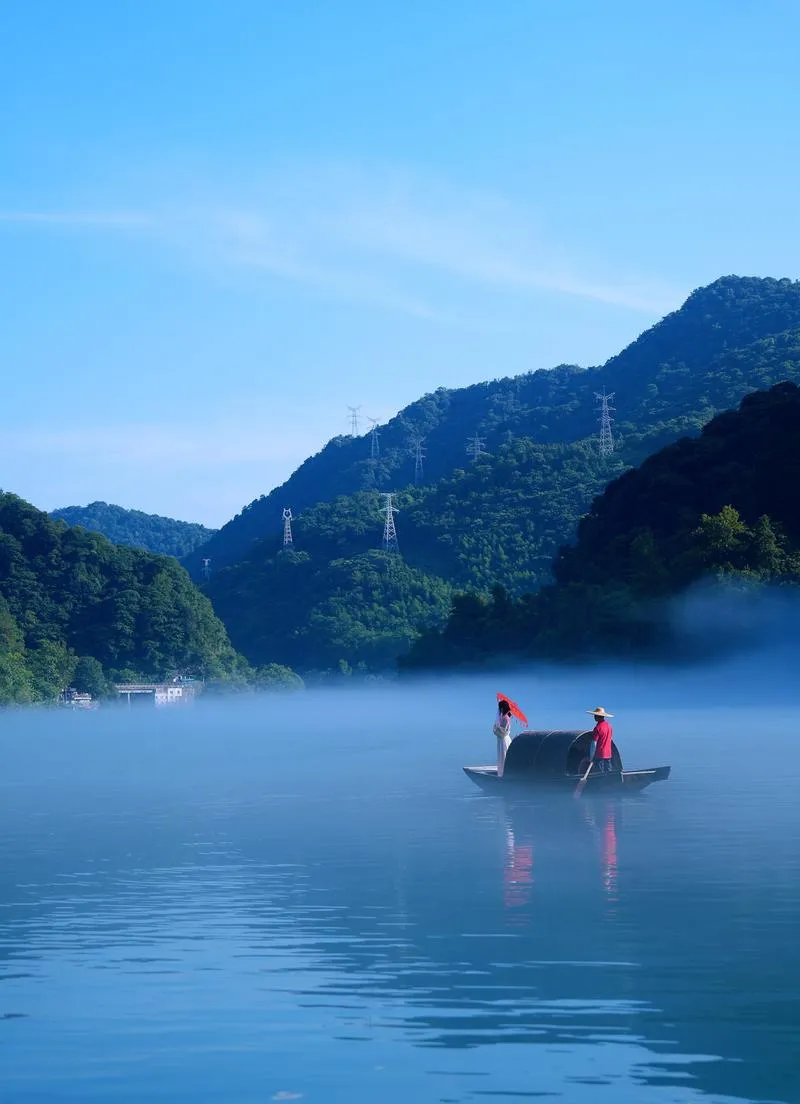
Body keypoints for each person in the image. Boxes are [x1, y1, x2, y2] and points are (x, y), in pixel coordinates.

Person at [585, 707, 614, 773]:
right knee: (608, 772)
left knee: (600, 773)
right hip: (608, 754)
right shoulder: (609, 726)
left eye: (595, 715)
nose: (594, 717)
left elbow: (594, 744)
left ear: (599, 716)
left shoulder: (598, 728)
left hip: (600, 755)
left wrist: (591, 758)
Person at [493, 699, 513, 777]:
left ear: (502, 708)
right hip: (501, 740)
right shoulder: (502, 717)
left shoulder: (506, 718)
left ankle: (505, 773)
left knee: (504, 756)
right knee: (501, 756)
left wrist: (497, 728)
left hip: (503, 739)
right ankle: (501, 772)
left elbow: (504, 732)